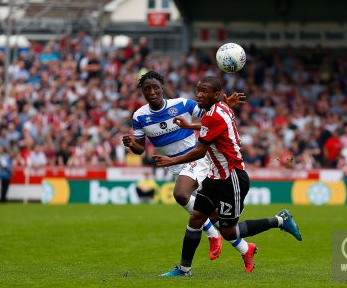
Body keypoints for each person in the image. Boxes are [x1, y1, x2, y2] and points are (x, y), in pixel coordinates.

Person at [153, 76, 302, 276]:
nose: (199, 94)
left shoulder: (215, 114)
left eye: (204, 91)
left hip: (231, 179)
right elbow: (208, 126)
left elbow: (199, 151)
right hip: (214, 177)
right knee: (196, 218)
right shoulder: (218, 109)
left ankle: (280, 220)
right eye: (198, 90)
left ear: (215, 95)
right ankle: (184, 269)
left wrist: (170, 161)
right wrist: (190, 127)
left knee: (229, 231)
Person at [122, 71, 249, 265]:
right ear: (142, 92)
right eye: (147, 89)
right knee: (214, 215)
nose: (152, 92)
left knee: (181, 195)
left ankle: (212, 235)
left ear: (162, 88)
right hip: (176, 167)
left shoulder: (181, 104)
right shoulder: (139, 116)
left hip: (196, 158)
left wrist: (225, 105)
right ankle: (249, 244)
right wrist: (131, 143)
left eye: (155, 87)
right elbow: (139, 149)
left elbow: (211, 115)